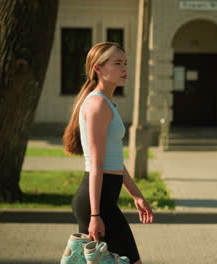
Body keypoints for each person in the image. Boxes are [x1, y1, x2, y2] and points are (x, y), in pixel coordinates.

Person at [62, 42, 153, 264]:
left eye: (125, 63)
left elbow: (114, 162)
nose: (124, 69)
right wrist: (95, 214)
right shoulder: (97, 105)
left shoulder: (107, 104)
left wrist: (137, 195)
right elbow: (95, 164)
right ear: (98, 68)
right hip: (97, 203)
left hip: (103, 200)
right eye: (118, 63)